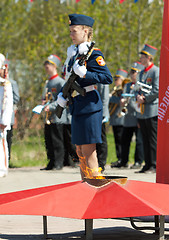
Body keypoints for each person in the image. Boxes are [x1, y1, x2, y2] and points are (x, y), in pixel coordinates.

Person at [58, 14, 112, 178]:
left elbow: (107, 78)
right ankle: (86, 187)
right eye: (70, 31)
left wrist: (86, 74)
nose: (71, 35)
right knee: (80, 151)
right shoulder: (74, 55)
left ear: (85, 31)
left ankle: (96, 190)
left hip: (89, 105)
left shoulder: (94, 54)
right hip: (77, 105)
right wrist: (62, 95)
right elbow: (68, 80)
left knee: (89, 152)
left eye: (74, 31)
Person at [113, 62, 145, 169]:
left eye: (134, 72)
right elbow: (124, 96)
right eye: (131, 72)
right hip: (128, 116)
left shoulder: (141, 85)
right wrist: (122, 101)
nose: (131, 74)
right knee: (125, 140)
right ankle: (123, 161)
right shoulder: (127, 85)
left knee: (139, 141)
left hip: (138, 115)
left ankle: (138, 161)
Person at [135, 44, 159, 173]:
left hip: (152, 110)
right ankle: (147, 163)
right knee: (144, 138)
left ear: (149, 57)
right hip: (142, 111)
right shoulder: (142, 72)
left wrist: (145, 98)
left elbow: (157, 90)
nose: (141, 59)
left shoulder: (155, 71)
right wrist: (137, 96)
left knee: (152, 138)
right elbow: (137, 88)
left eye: (143, 57)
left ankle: (154, 164)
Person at [40, 54, 67, 171]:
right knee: (49, 140)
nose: (46, 67)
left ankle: (59, 163)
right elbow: (45, 97)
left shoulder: (60, 82)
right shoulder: (48, 82)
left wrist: (50, 106)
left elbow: (62, 99)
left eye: (49, 65)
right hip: (49, 117)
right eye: (46, 65)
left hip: (58, 116)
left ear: (55, 66)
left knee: (57, 140)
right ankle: (51, 162)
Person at [0, 62, 20, 164]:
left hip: (8, 116)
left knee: (7, 139)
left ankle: (6, 160)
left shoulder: (11, 82)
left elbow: (16, 98)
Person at [109, 69, 127, 168]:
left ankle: (122, 159)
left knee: (121, 140)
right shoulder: (116, 89)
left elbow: (121, 100)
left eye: (118, 79)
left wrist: (110, 97)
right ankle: (119, 157)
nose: (116, 80)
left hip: (120, 118)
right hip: (114, 118)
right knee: (117, 140)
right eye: (115, 79)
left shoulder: (122, 89)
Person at [96, 83, 110, 172]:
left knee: (101, 139)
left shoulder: (102, 80)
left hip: (100, 113)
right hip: (92, 112)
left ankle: (101, 163)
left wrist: (103, 114)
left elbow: (105, 98)